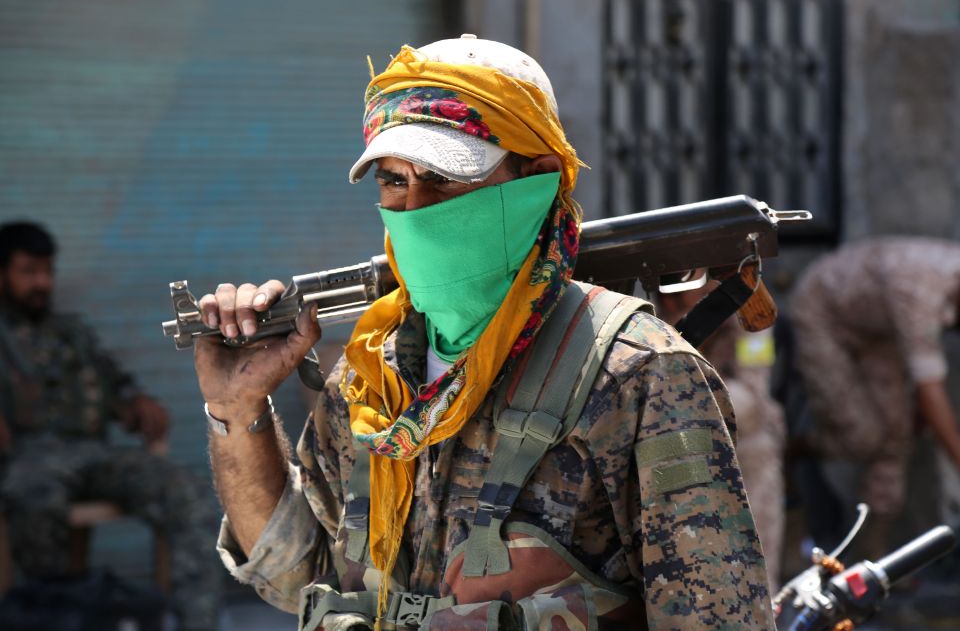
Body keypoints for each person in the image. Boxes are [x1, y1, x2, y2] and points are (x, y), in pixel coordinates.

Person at [199, 36, 773, 630]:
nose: (416, 209)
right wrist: (236, 410)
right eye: (394, 181)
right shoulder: (371, 381)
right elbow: (299, 577)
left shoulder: (640, 374)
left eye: (446, 179)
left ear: (540, 178)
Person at [0, 222, 222, 631]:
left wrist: (136, 403)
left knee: (186, 493)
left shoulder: (71, 332)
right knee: (34, 497)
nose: (42, 282)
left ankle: (199, 622)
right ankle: (48, 616)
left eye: (47, 271)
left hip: (95, 457)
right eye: (29, 271)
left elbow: (113, 385)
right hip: (29, 462)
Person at [790, 237, 960, 558]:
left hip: (879, 332)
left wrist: (922, 414)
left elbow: (927, 391)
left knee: (898, 435)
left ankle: (873, 557)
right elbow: (929, 388)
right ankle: (793, 448)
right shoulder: (920, 287)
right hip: (824, 313)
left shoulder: (948, 281)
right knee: (863, 437)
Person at [659, 284, 786, 591]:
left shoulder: (749, 306)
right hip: (668, 439)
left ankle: (763, 596)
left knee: (758, 450)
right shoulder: (646, 305)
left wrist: (687, 406)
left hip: (736, 431)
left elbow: (752, 394)